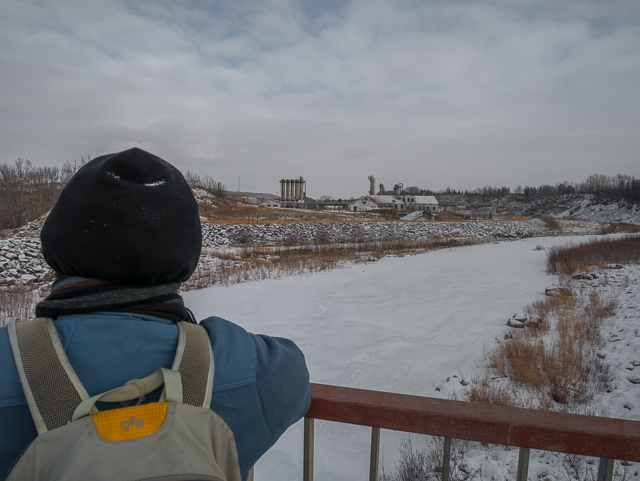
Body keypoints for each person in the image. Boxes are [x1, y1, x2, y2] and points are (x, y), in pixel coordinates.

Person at [0, 147, 311, 480]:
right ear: (183, 257)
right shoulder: (245, 365)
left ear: (58, 243)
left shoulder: (9, 359)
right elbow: (294, 375)